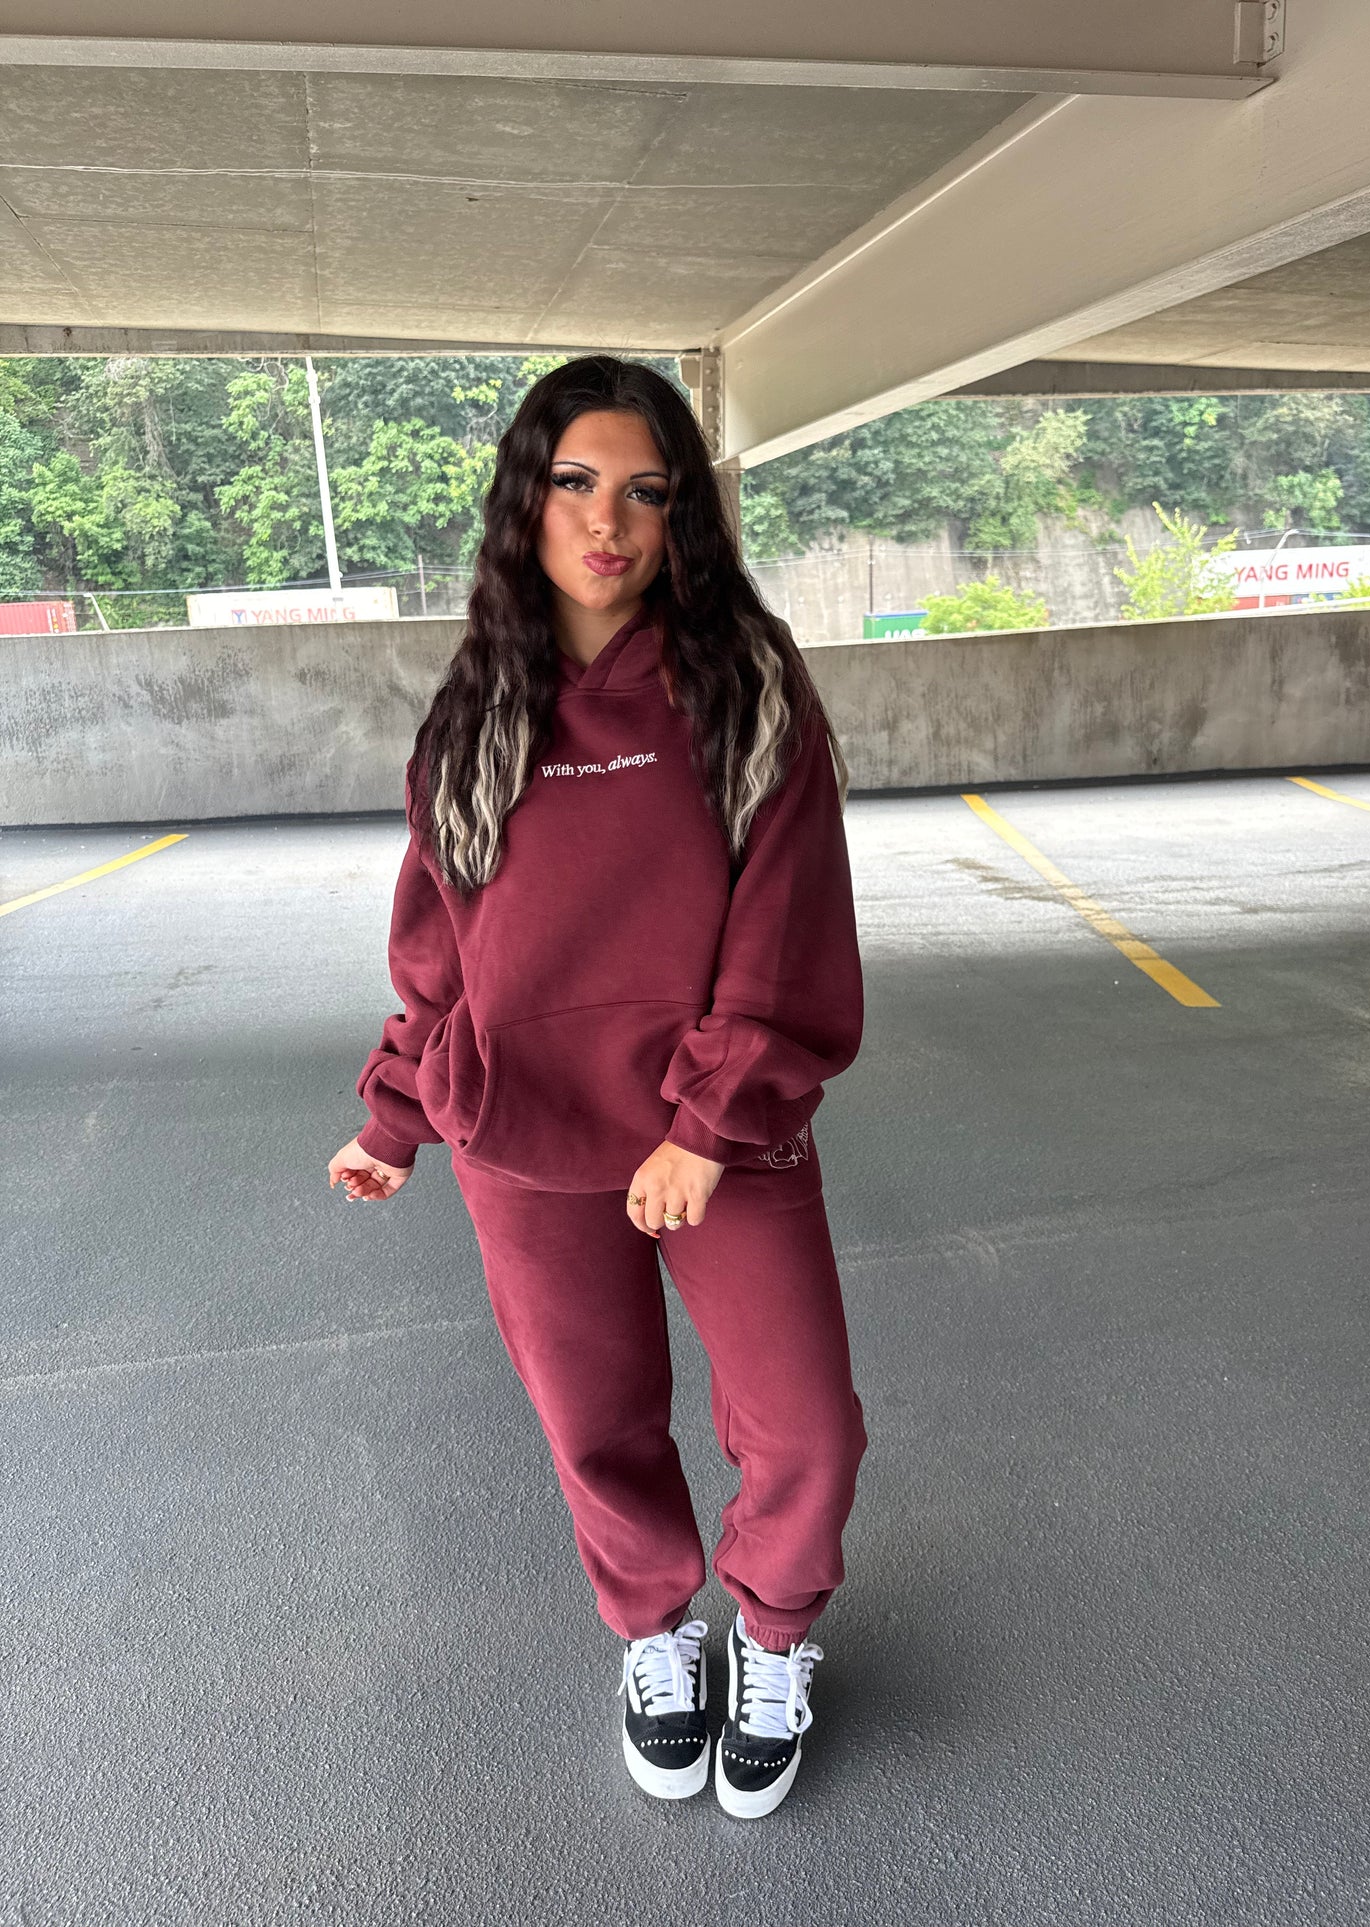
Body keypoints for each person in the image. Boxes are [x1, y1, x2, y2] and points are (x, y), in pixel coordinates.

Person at [327, 355, 867, 1820]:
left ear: (683, 514)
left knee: (806, 1425)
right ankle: (657, 1634)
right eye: (575, 483)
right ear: (527, 500)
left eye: (645, 490)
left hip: (716, 1142)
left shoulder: (743, 690)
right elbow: (441, 944)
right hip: (524, 1142)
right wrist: (396, 1117)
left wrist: (709, 1124)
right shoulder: (472, 716)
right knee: (596, 1423)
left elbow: (787, 919)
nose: (607, 520)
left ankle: (773, 1639)